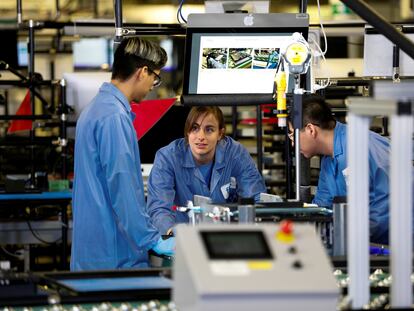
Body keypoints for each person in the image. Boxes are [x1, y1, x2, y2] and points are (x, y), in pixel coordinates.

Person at [71, 37, 175, 271]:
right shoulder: (114, 117)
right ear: (142, 71)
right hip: (114, 256)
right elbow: (123, 187)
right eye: (155, 78)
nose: (152, 85)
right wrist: (152, 239)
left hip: (92, 253)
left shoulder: (95, 109)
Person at [147, 106, 267, 234]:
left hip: (225, 238)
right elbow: (159, 209)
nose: (201, 136)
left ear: (220, 134)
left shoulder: (235, 154)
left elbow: (256, 199)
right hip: (181, 238)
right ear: (187, 132)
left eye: (209, 130)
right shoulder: (168, 157)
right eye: (195, 128)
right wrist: (172, 234)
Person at [288, 95, 390, 244]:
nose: (293, 144)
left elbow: (393, 200)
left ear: (310, 130)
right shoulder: (329, 160)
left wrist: (353, 234)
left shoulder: (362, 144)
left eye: (293, 135)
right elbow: (323, 206)